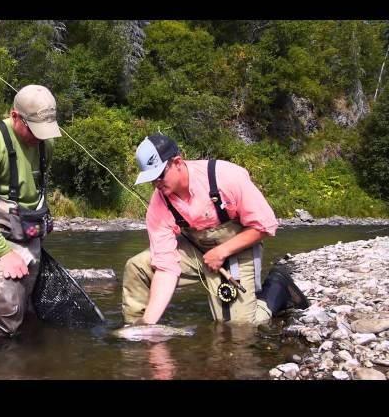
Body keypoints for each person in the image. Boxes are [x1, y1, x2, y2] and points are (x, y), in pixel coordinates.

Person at [122, 134, 309, 326]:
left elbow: (265, 225)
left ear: (177, 162)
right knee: (138, 266)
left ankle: (278, 288)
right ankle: (136, 329)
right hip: (197, 252)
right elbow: (165, 266)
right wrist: (148, 324)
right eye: (151, 179)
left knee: (238, 327)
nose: (156, 184)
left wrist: (221, 252)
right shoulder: (159, 203)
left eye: (159, 176)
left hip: (239, 247)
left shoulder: (226, 177)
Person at [0, 85, 61, 338]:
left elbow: (33, 191)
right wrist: (4, 252)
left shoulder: (45, 145)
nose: (39, 138)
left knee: (29, 319)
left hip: (32, 240)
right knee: (7, 320)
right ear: (15, 116)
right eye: (34, 130)